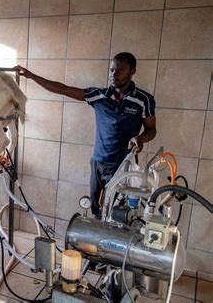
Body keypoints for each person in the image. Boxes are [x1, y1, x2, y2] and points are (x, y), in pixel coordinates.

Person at [14, 52, 156, 219]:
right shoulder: (99, 96)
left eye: (120, 71)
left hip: (123, 165)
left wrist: (139, 138)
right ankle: (97, 241)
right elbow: (63, 89)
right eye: (112, 70)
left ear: (133, 71)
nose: (114, 75)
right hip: (98, 162)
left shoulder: (143, 100)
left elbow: (151, 130)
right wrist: (30, 76)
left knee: (118, 213)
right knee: (97, 210)